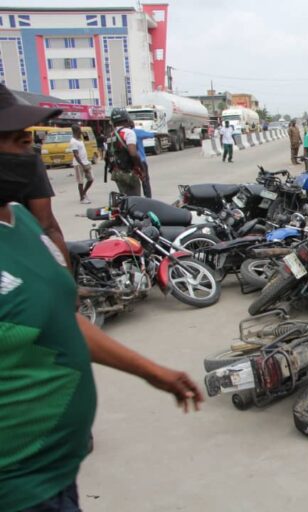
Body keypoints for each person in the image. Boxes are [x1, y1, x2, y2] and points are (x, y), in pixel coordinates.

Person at [0, 94, 204, 512]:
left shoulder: (20, 222)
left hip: (58, 471)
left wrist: (153, 372)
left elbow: (62, 323)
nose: (32, 154)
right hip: (18, 488)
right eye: (20, 142)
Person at [0, 84, 68, 263]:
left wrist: (66, 284)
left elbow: (48, 226)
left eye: (26, 138)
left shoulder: (18, 214)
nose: (28, 145)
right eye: (17, 139)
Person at [106, 109, 144, 196]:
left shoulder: (111, 135)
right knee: (135, 200)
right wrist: (141, 169)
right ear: (127, 119)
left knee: (125, 198)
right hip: (129, 172)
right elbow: (133, 153)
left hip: (117, 173)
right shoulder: (128, 132)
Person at [69, 125, 94, 204]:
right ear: (76, 131)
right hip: (79, 164)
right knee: (81, 182)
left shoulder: (79, 139)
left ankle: (84, 193)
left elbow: (86, 141)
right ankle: (82, 198)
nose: (81, 131)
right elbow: (76, 155)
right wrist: (83, 165)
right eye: (80, 130)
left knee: (91, 179)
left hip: (85, 162)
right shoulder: (73, 141)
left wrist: (86, 163)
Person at [132, 123, 155, 198]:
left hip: (131, 162)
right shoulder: (137, 132)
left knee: (134, 182)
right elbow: (151, 135)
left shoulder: (123, 133)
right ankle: (148, 198)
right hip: (141, 161)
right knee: (145, 181)